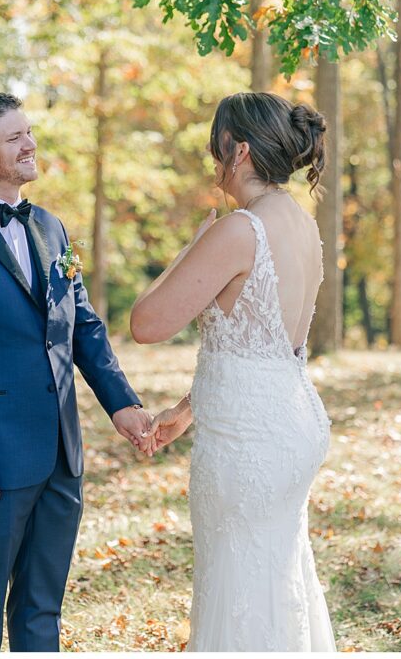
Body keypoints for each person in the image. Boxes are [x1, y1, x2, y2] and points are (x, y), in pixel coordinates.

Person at [0, 91, 151, 652]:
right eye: (13, 137)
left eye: (29, 132)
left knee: (44, 606)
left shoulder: (52, 228)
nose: (30, 144)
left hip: (62, 454)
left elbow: (82, 326)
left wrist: (124, 407)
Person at [131, 92, 336, 651]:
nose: (210, 157)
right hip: (289, 423)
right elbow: (261, 343)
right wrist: (187, 409)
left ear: (238, 150)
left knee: (239, 585)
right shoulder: (301, 224)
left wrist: (190, 248)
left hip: (250, 445)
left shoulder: (239, 229)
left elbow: (146, 323)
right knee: (274, 581)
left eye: (213, 146)